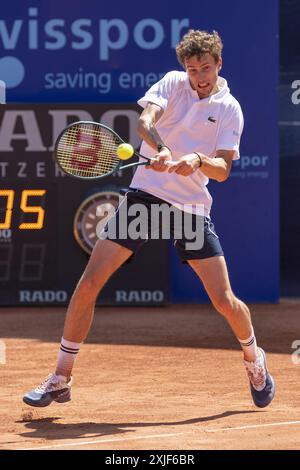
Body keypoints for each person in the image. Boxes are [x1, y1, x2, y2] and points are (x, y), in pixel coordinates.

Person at [23, 30, 275, 409]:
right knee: (89, 282)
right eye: (192, 69)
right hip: (145, 199)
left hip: (189, 210)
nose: (199, 76)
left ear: (219, 64)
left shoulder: (229, 108)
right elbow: (145, 122)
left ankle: (255, 359)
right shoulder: (174, 84)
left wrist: (197, 160)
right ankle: (61, 377)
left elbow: (222, 168)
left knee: (224, 300)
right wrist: (165, 148)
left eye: (205, 68)